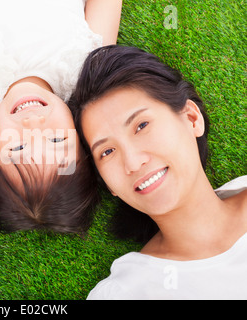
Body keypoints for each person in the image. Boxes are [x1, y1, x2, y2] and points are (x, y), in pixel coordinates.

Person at [0, 0, 122, 233]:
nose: (33, 123)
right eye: (57, 140)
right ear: (81, 135)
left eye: (17, 148)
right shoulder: (89, 66)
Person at [68, 45, 247, 299]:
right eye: (107, 152)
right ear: (109, 186)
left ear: (191, 119)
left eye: (141, 125)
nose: (132, 162)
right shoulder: (126, 292)